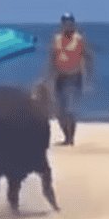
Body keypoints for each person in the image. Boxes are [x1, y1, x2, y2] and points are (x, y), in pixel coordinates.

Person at [46, 12, 94, 145]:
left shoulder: (79, 39)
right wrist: (48, 78)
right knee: (59, 111)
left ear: (73, 23)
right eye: (65, 23)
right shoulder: (56, 39)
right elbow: (52, 59)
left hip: (74, 77)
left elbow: (88, 58)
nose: (68, 25)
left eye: (70, 22)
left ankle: (70, 138)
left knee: (69, 109)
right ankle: (66, 136)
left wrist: (88, 78)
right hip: (59, 78)